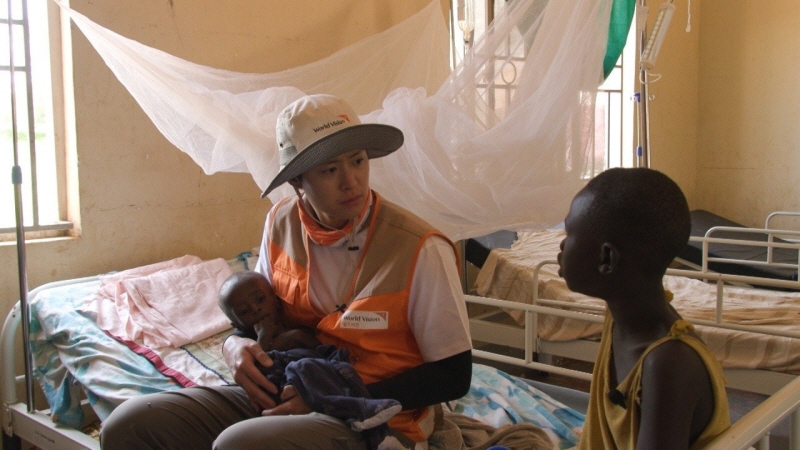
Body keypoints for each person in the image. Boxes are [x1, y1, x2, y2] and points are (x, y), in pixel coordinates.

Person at [100, 94, 473, 449]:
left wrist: (330, 396)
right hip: (284, 387)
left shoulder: (420, 248)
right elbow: (259, 318)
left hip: (373, 413)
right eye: (330, 169)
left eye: (358, 161)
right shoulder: (281, 222)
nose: (351, 181)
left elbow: (453, 376)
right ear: (297, 180)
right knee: (131, 425)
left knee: (242, 445)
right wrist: (234, 345)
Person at [558, 168, 730, 449]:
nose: (562, 244)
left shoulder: (669, 364)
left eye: (569, 233)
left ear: (606, 259)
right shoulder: (621, 316)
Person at [217, 270, 404, 449]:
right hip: (275, 397)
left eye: (260, 300)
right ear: (236, 324)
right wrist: (245, 340)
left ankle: (379, 432)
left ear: (276, 299)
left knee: (326, 370)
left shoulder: (295, 331)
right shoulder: (252, 343)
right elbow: (260, 368)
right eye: (244, 311)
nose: (256, 309)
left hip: (320, 387)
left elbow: (320, 353)